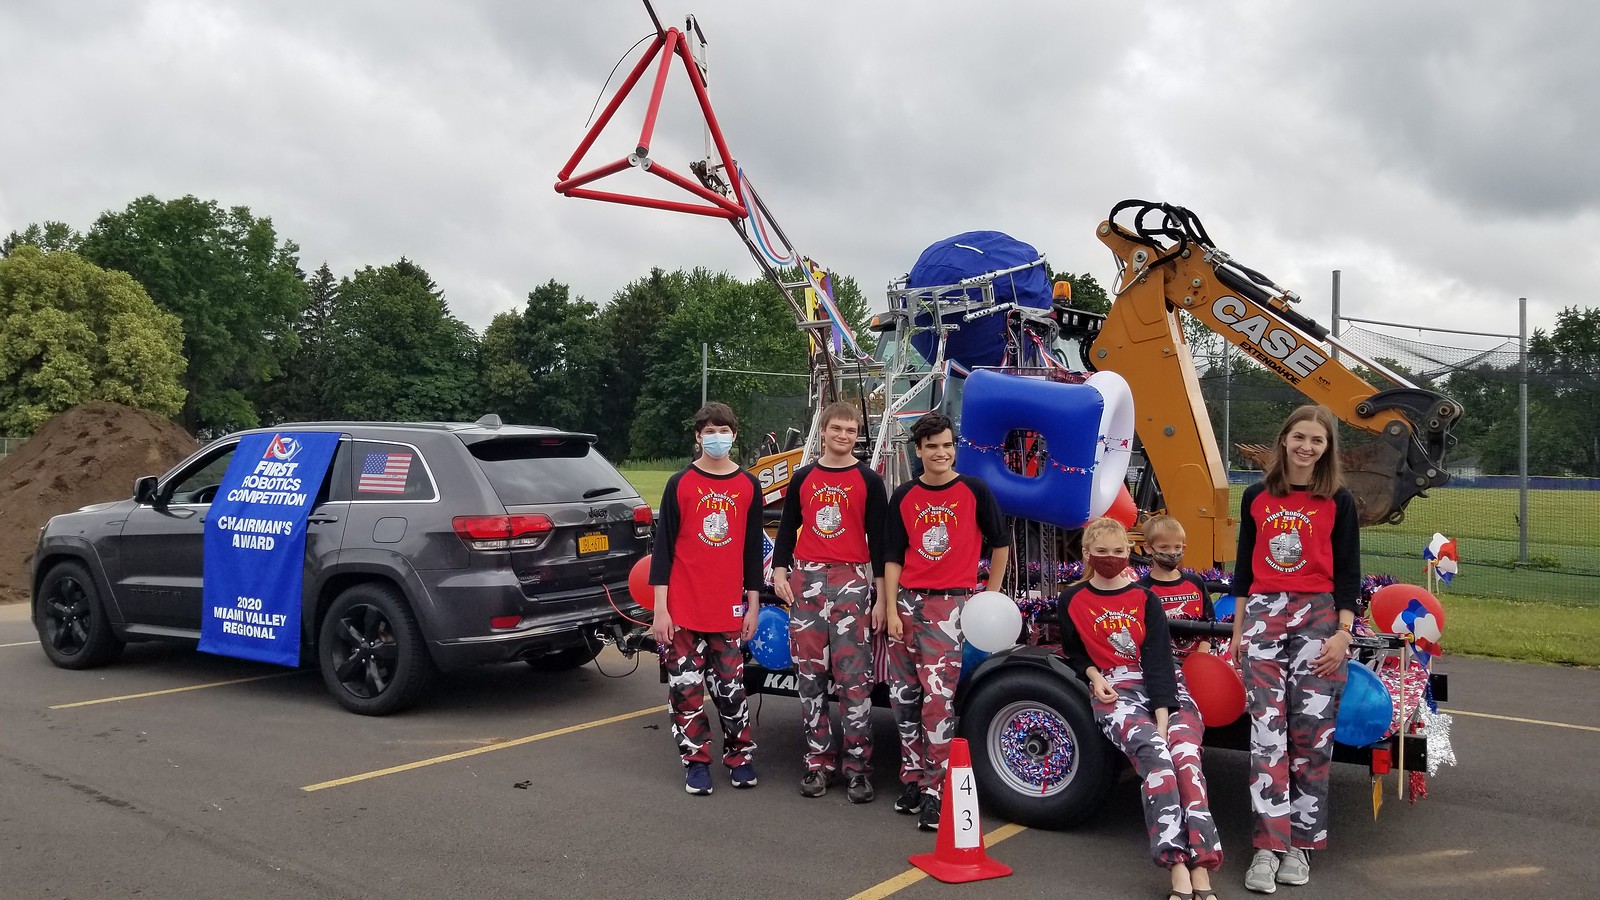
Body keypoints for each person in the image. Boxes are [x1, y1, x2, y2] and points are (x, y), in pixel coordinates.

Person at [1230, 404, 1360, 893]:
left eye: (1318, 441)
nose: (1307, 447)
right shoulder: (1255, 496)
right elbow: (1244, 569)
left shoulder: (1339, 501)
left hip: (1319, 618)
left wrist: (1344, 633)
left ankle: (1301, 845)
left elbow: (1349, 572)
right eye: (1300, 437)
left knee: (1312, 736)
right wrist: (1240, 631)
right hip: (1264, 615)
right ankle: (1267, 848)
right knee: (1267, 735)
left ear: (1327, 450)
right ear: (1284, 439)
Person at [1059, 516, 1222, 900]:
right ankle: (1177, 865)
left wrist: (1164, 716)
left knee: (1184, 756)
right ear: (1087, 554)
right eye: (1102, 551)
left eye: (1118, 551)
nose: (1111, 558)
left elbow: (1159, 661)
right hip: (1115, 690)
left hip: (1165, 689)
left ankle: (1202, 863)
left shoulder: (1144, 598)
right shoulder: (1073, 599)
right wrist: (1093, 677)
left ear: (1128, 552)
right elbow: (1074, 649)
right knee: (1155, 758)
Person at [876, 412, 1011, 831]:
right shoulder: (904, 495)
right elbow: (893, 556)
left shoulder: (973, 490)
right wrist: (893, 606)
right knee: (904, 700)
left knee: (938, 703)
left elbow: (1001, 544)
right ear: (918, 451)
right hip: (908, 605)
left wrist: (989, 595)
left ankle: (937, 791)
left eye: (947, 444)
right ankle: (913, 780)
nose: (941, 452)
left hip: (949, 607)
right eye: (932, 445)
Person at [771, 401, 888, 803]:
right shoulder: (803, 477)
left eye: (851, 431)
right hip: (807, 581)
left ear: (858, 435)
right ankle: (818, 762)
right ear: (823, 431)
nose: (843, 436)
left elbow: (881, 539)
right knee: (811, 677)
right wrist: (780, 569)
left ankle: (858, 767)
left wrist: (880, 596)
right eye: (837, 429)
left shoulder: (869, 480)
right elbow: (787, 528)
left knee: (854, 679)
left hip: (852, 580)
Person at [649, 402, 764, 796]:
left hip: (728, 610)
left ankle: (740, 757)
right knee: (686, 690)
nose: (718, 436)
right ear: (698, 436)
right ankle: (696, 761)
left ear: (735, 434)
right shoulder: (680, 483)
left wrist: (753, 604)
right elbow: (662, 551)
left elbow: (752, 550)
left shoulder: (748, 485)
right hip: (682, 609)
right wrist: (660, 610)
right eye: (710, 430)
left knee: (732, 690)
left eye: (725, 429)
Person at [1139, 514, 1216, 660]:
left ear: (1184, 547)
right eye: (1164, 547)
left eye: (1177, 547)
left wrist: (1201, 655)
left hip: (1200, 659)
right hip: (1162, 662)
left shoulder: (1195, 582)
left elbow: (1210, 623)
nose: (1172, 553)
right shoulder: (1141, 589)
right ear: (1148, 548)